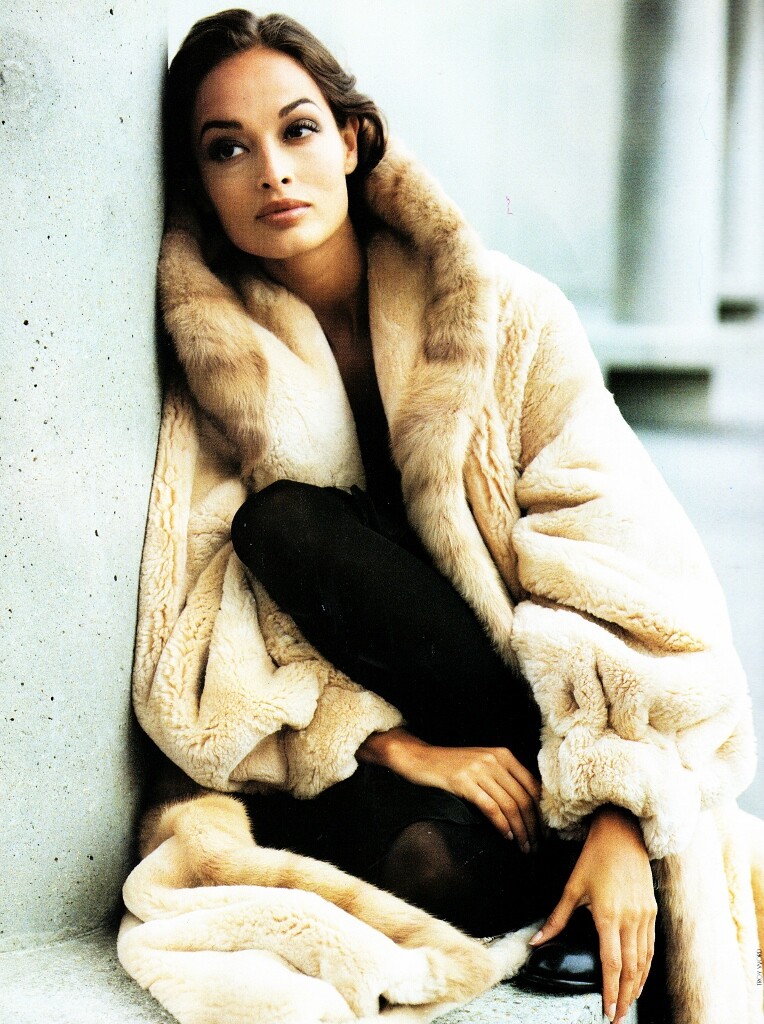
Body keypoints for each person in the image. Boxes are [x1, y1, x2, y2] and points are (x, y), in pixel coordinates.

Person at [126, 9, 763, 1024]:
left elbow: (629, 568)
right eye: (226, 148)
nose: (271, 172)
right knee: (288, 541)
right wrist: (393, 746)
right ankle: (541, 878)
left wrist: (618, 809)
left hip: (542, 720)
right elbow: (198, 640)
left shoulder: (505, 315)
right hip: (391, 752)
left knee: (290, 526)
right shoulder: (214, 373)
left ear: (351, 139)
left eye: (297, 129)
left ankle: (586, 848)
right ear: (197, 183)